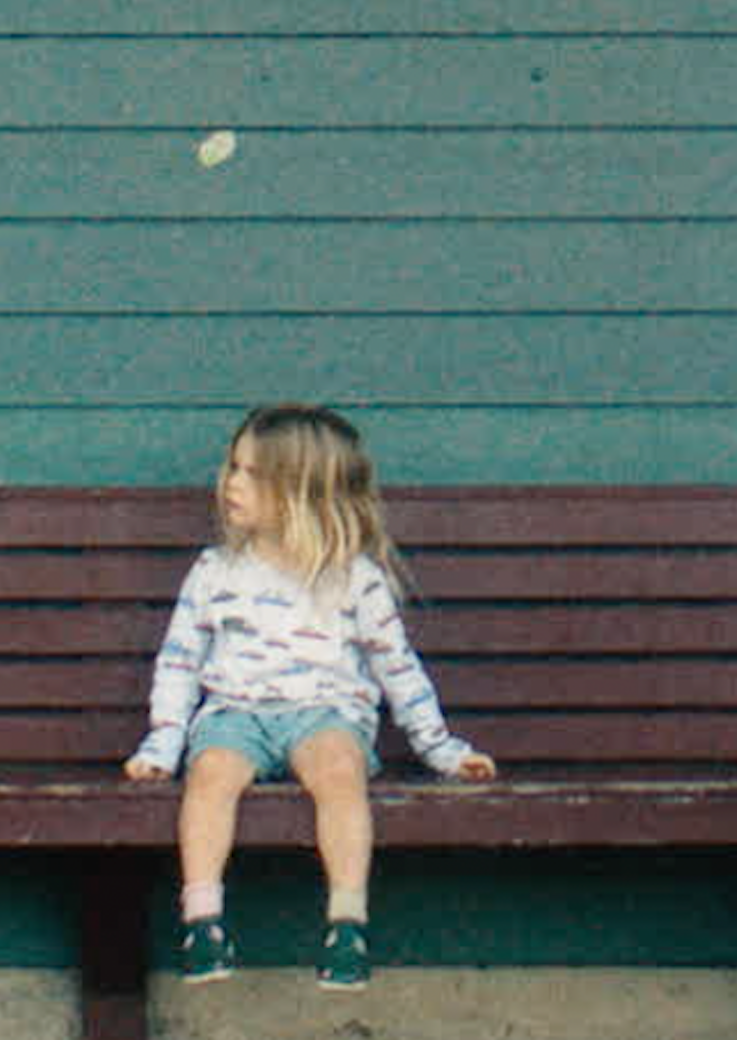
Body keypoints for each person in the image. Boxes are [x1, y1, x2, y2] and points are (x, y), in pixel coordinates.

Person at [123, 404, 496, 991]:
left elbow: (397, 669)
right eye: (232, 467)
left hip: (325, 716)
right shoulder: (215, 572)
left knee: (338, 771)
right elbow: (179, 665)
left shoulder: (355, 578)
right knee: (211, 774)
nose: (231, 483)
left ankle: (346, 921)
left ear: (302, 493)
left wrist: (442, 750)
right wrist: (164, 744)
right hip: (235, 715)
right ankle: (202, 919)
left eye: (251, 474)